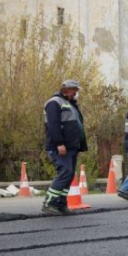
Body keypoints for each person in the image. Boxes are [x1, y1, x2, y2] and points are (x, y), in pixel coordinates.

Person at [42, 79, 88, 215]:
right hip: (61, 147)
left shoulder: (69, 104)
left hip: (71, 146)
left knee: (69, 175)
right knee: (65, 173)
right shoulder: (54, 103)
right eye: (74, 90)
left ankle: (61, 204)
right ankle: (49, 203)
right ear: (66, 90)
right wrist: (59, 143)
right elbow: (53, 125)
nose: (76, 93)